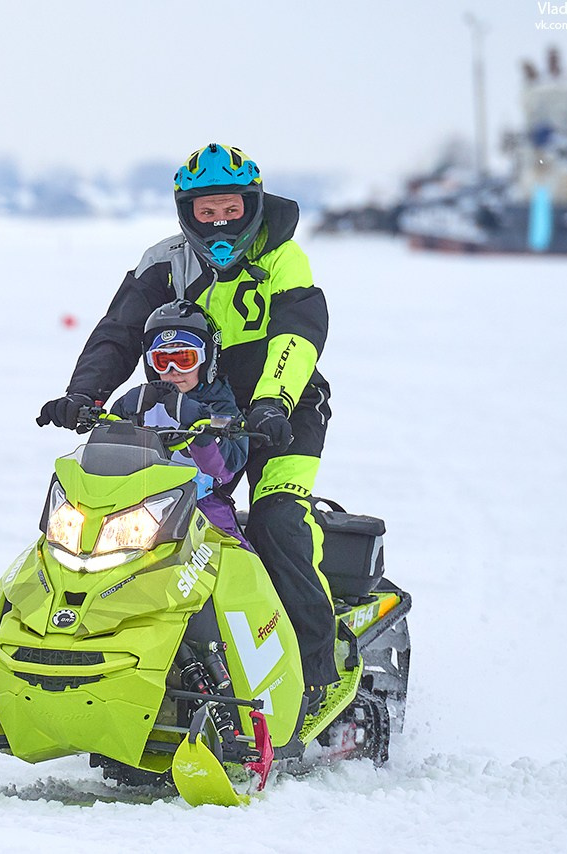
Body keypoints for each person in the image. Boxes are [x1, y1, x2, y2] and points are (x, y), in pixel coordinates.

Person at [36, 143, 338, 706]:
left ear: (252, 206)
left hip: (284, 412)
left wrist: (271, 403)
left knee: (278, 522)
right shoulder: (164, 260)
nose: (220, 223)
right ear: (186, 213)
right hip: (189, 411)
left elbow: (297, 336)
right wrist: (83, 395)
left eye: (230, 209)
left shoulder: (282, 257)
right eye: (206, 213)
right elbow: (119, 331)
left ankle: (318, 672)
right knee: (139, 524)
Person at [106, 300, 251, 548]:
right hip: (138, 509)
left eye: (184, 359)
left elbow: (225, 471)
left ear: (206, 361)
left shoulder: (220, 407)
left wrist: (200, 425)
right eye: (163, 361)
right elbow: (106, 457)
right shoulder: (140, 402)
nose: (173, 371)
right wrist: (119, 416)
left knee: (234, 556)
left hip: (200, 507)